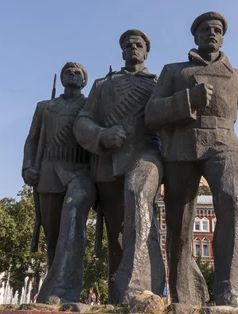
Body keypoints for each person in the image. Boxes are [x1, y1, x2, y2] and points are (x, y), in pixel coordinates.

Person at [145, 12, 238, 307]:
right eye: (206, 29)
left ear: (223, 37)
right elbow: (151, 114)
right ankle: (184, 293)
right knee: (179, 224)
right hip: (181, 147)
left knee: (233, 202)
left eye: (217, 30)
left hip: (224, 144)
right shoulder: (174, 71)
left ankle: (232, 291)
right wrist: (187, 100)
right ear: (195, 36)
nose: (212, 33)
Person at [74, 29, 166, 304]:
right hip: (109, 163)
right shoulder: (103, 85)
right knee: (115, 236)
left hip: (147, 154)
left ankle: (144, 289)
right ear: (122, 51)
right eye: (128, 45)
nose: (133, 48)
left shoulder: (159, 83)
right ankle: (119, 298)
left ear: (146, 51)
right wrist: (102, 135)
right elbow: (83, 121)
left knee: (138, 198)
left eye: (138, 45)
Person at [23, 62, 96, 303]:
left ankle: (68, 286)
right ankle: (54, 287)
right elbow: (32, 140)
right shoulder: (45, 107)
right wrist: (28, 167)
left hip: (80, 172)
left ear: (84, 81)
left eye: (78, 72)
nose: (72, 75)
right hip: (49, 173)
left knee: (73, 223)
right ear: (62, 78)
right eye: (68, 72)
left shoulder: (92, 104)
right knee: (52, 235)